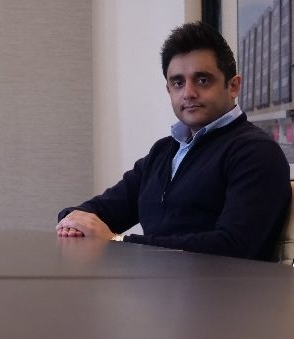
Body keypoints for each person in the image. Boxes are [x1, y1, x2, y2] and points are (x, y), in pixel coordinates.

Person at [57, 22, 290, 261]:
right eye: (178, 82)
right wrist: (72, 221)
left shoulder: (256, 153)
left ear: (233, 86)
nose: (188, 93)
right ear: (169, 90)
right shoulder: (164, 151)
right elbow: (100, 210)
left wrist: (119, 242)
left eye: (202, 80)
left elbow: (233, 247)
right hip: (154, 282)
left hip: (222, 285)